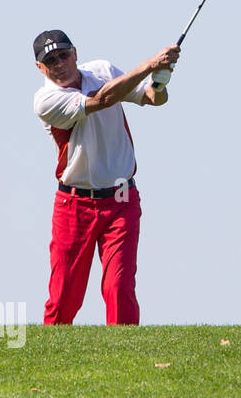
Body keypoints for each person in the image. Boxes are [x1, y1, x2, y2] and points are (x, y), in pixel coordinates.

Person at [31, 30, 179, 325]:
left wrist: (160, 79)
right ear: (40, 68)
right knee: (63, 298)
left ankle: (125, 363)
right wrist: (149, 65)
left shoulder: (103, 70)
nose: (59, 64)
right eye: (50, 60)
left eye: (63, 55)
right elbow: (103, 98)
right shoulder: (46, 100)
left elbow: (151, 98)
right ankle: (49, 365)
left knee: (119, 287)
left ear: (75, 52)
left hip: (122, 199)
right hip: (74, 205)